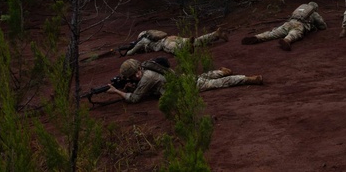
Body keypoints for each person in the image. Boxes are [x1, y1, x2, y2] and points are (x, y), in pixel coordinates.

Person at [107, 58, 263, 104]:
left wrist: (116, 92)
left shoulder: (147, 77)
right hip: (182, 79)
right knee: (203, 76)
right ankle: (221, 72)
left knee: (218, 84)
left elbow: (134, 99)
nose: (135, 77)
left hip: (185, 87)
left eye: (134, 75)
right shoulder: (147, 66)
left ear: (137, 71)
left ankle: (247, 79)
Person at [241, 2, 327, 51]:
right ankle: (286, 40)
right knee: (294, 34)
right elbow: (322, 26)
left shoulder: (300, 9)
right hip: (299, 24)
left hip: (289, 22)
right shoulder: (314, 13)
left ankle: (257, 37)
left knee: (273, 33)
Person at [122, 28, 227, 55]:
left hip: (164, 43)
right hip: (171, 37)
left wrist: (128, 53)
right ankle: (214, 35)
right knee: (195, 41)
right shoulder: (152, 34)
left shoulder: (143, 40)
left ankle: (186, 48)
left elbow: (133, 50)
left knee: (173, 48)